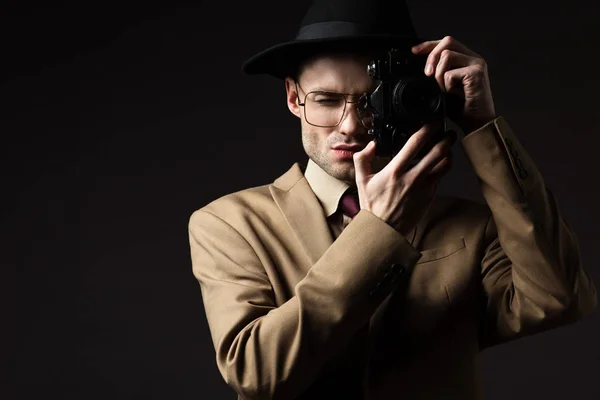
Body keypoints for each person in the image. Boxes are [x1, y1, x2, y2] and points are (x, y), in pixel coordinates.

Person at [187, 0, 597, 399]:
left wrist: (481, 124)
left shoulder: (471, 227)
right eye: (326, 100)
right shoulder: (228, 223)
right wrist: (378, 230)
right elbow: (255, 372)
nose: (349, 126)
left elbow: (560, 299)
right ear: (294, 98)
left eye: (371, 101)